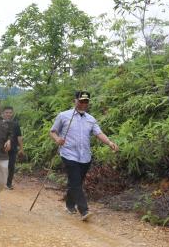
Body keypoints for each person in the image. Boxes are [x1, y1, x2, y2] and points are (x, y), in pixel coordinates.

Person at [49, 91, 119, 222]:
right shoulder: (64, 116)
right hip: (68, 154)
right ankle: (84, 210)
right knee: (75, 181)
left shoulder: (90, 119)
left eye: (86, 102)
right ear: (75, 101)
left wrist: (110, 143)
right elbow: (52, 131)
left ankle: (70, 205)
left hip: (85, 156)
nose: (83, 104)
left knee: (76, 182)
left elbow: (99, 133)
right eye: (81, 101)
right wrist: (57, 139)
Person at [2, 106, 24, 190]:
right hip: (1, 149)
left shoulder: (15, 124)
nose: (8, 114)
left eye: (10, 112)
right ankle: (0, 182)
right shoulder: (0, 123)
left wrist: (21, 149)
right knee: (1, 166)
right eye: (6, 112)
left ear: (12, 113)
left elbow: (19, 137)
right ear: (3, 113)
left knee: (11, 166)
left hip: (13, 148)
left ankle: (8, 183)